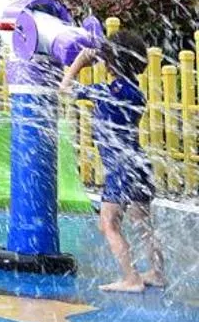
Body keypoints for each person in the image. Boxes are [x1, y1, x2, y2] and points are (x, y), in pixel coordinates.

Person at [66, 30, 166, 293]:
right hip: (139, 163)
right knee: (143, 224)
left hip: (121, 168)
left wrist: (78, 63)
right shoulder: (135, 91)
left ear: (111, 62)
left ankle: (130, 278)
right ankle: (157, 273)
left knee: (108, 223)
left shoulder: (108, 92)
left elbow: (64, 89)